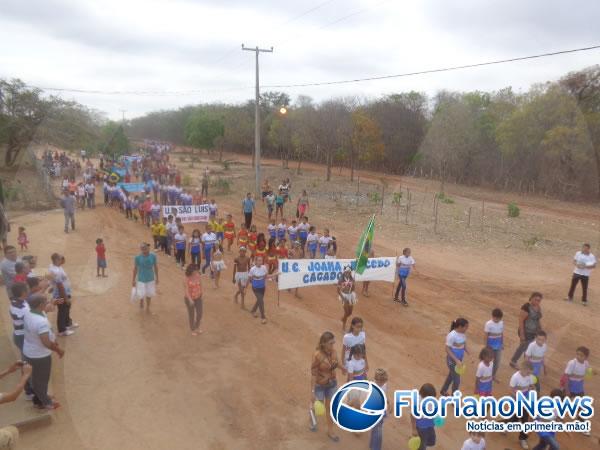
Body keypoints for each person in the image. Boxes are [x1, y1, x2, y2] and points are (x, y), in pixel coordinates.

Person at [23, 294, 64, 410]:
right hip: (39, 355)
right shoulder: (40, 322)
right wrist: (58, 350)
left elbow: (47, 309)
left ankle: (41, 397)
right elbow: (46, 342)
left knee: (37, 379)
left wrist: (53, 303)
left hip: (31, 351)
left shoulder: (29, 312)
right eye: (45, 302)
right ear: (40, 305)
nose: (47, 303)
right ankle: (45, 402)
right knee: (41, 380)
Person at [310, 331, 342, 442]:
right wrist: (312, 391)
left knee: (330, 408)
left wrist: (343, 369)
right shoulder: (317, 355)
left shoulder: (334, 352)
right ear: (323, 343)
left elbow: (336, 363)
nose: (333, 346)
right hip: (320, 385)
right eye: (331, 343)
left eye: (333, 343)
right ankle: (312, 415)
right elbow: (313, 374)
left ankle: (330, 431)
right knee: (319, 408)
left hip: (332, 384)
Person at [510, 292, 543, 369]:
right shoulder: (526, 307)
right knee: (523, 347)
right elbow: (521, 321)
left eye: (539, 300)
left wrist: (540, 329)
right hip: (526, 332)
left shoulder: (538, 307)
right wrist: (522, 335)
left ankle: (524, 363)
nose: (537, 302)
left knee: (526, 348)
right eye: (536, 300)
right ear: (531, 298)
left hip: (533, 332)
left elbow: (537, 320)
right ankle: (514, 361)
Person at [507, 360, 535, 447]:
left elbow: (531, 386)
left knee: (523, 419)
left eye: (530, 373)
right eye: (528, 373)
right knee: (517, 418)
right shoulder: (515, 377)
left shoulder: (529, 376)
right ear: (523, 369)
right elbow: (510, 390)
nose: (529, 375)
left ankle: (522, 438)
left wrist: (532, 390)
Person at [49, 253, 78, 336]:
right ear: (57, 260)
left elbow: (51, 278)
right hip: (61, 294)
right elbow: (60, 286)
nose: (63, 259)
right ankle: (62, 330)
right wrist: (65, 298)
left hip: (64, 292)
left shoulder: (54, 266)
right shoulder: (56, 271)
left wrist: (52, 286)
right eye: (61, 258)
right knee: (62, 311)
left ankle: (68, 324)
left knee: (67, 308)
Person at [440, 318, 469, 396]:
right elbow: (447, 349)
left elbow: (464, 344)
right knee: (457, 380)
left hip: (458, 360)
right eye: (465, 327)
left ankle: (443, 390)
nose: (467, 329)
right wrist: (456, 360)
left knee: (451, 376)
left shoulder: (463, 334)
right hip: (452, 361)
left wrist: (469, 353)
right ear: (460, 326)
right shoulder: (452, 335)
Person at [132, 243, 159, 314]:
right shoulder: (137, 257)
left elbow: (155, 267)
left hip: (150, 278)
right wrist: (133, 280)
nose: (144, 250)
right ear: (141, 249)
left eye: (145, 249)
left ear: (148, 248)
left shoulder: (153, 256)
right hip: (141, 278)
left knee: (149, 293)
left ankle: (148, 307)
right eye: (142, 249)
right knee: (141, 293)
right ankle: (141, 300)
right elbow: (135, 269)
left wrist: (157, 277)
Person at [248, 256, 276, 324]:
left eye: (261, 260)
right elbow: (249, 279)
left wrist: (276, 274)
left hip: (262, 287)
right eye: (259, 260)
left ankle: (253, 311)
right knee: (261, 301)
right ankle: (263, 317)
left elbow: (267, 276)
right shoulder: (252, 269)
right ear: (256, 261)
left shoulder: (264, 268)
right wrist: (246, 287)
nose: (260, 262)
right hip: (255, 288)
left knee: (259, 300)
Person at [410, 383, 437, 450]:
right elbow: (412, 416)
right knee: (422, 445)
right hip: (421, 427)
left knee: (431, 441)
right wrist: (414, 429)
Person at [369, 368, 389, 450]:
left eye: (383, 381)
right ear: (376, 379)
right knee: (378, 431)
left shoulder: (385, 385)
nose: (382, 383)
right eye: (380, 381)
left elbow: (384, 396)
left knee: (376, 429)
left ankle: (372, 445)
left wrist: (389, 403)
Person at [484, 308, 504, 382]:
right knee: (488, 361)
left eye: (499, 318)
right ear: (492, 316)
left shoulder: (501, 323)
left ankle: (493, 375)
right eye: (496, 318)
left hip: (498, 346)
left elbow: (501, 334)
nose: (497, 320)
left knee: (497, 362)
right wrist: (486, 346)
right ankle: (486, 375)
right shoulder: (488, 324)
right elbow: (486, 335)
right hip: (490, 346)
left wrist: (502, 343)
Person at [183, 264, 203, 336]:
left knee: (200, 314)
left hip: (198, 297)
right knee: (191, 314)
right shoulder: (186, 278)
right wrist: (190, 299)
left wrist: (201, 292)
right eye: (195, 270)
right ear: (191, 271)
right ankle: (193, 329)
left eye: (197, 270)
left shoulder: (198, 275)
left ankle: (197, 326)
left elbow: (200, 284)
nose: (196, 271)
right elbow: (186, 290)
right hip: (189, 299)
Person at [338, 266, 357, 331]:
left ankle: (343, 318)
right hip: (344, 296)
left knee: (350, 313)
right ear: (344, 272)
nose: (348, 273)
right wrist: (343, 298)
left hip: (351, 296)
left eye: (349, 272)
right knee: (346, 312)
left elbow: (353, 289)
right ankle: (343, 326)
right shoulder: (341, 280)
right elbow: (338, 290)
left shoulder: (352, 279)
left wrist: (353, 284)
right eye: (346, 272)